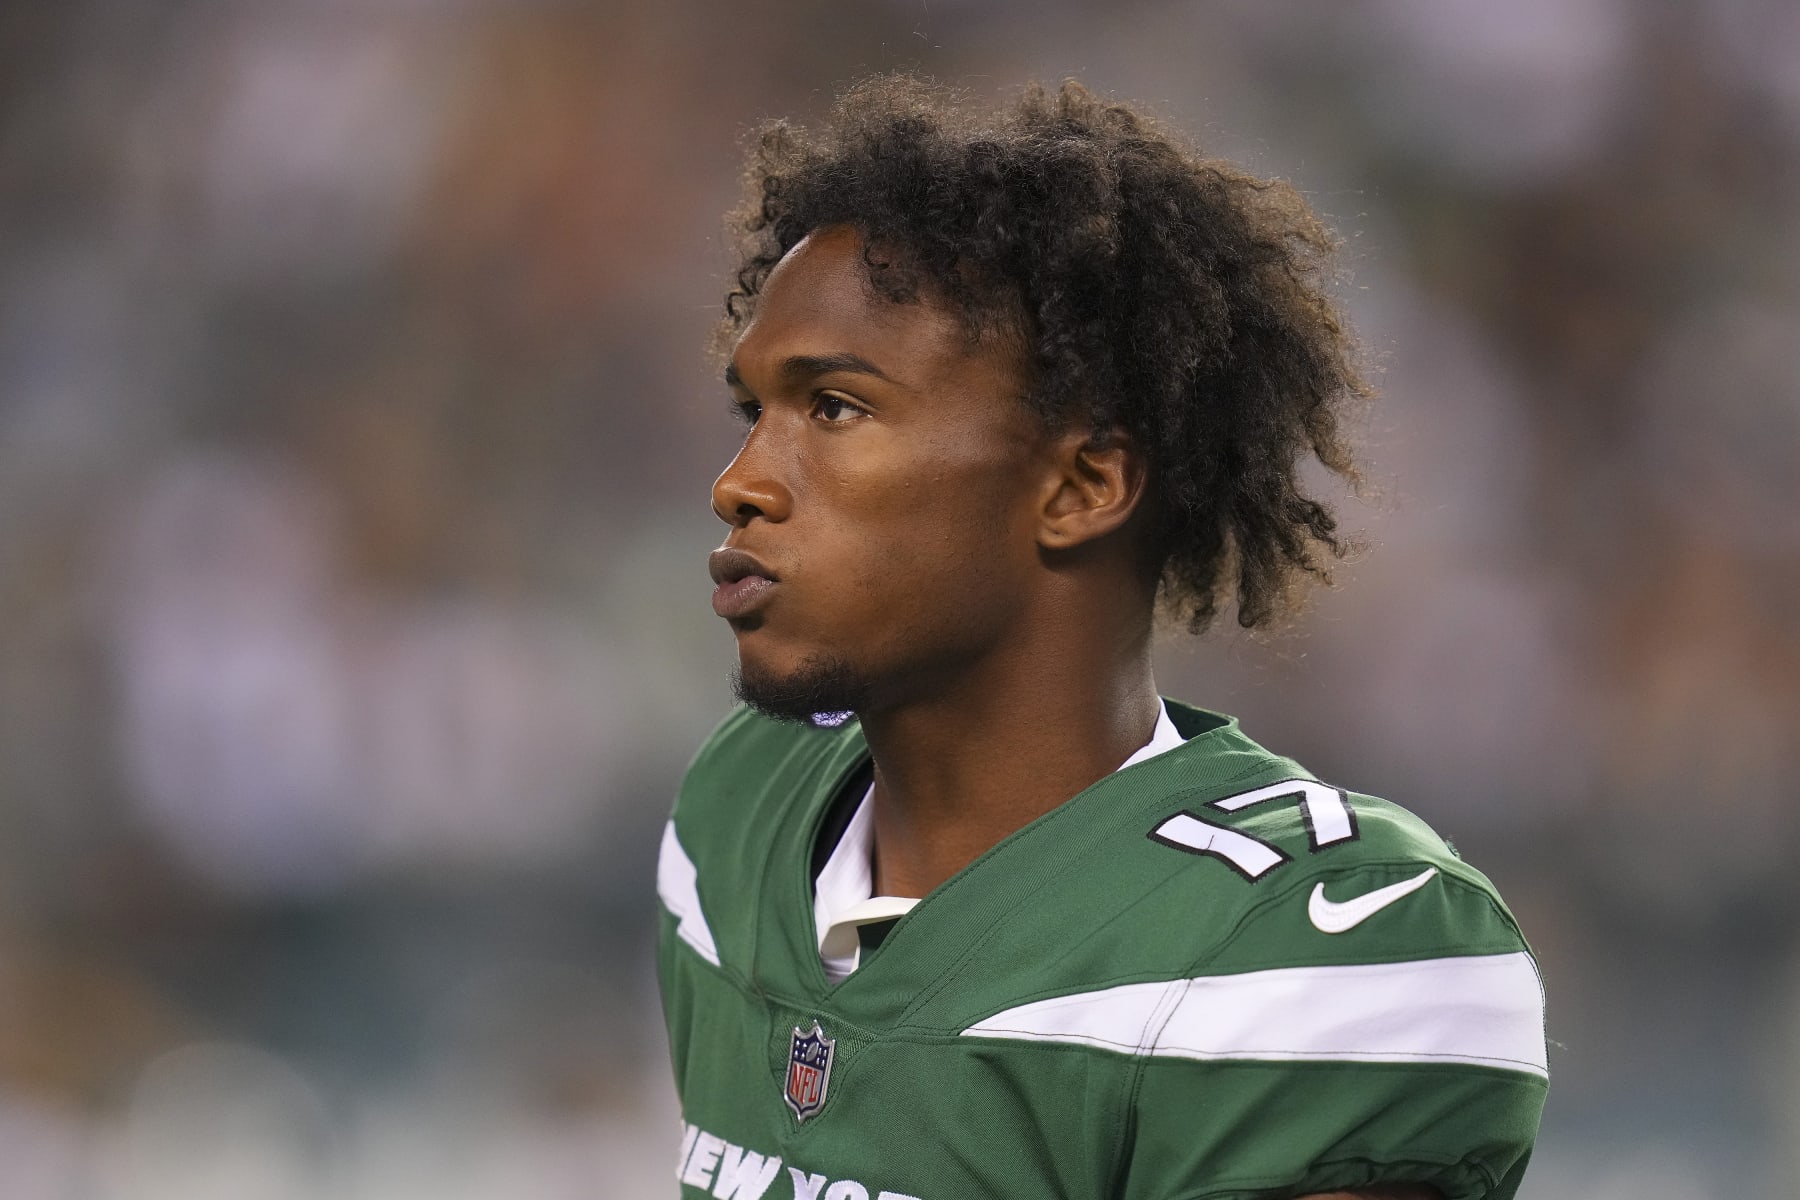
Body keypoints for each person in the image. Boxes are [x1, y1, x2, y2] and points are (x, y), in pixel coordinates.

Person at [657, 75, 1545, 1200]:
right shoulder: (736, 817)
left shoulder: (1314, 936)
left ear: (1082, 486)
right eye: (755, 414)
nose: (740, 485)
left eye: (834, 408)